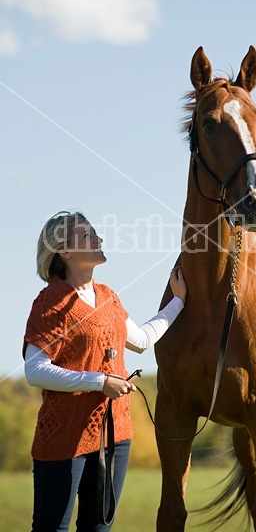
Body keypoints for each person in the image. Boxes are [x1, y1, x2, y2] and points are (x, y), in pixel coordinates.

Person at [23, 211, 187, 532]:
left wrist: (178, 302)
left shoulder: (108, 297)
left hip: (115, 435)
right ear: (64, 251)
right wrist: (99, 381)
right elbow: (35, 371)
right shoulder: (50, 303)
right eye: (87, 236)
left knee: (99, 529)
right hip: (64, 438)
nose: (98, 238)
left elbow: (140, 340)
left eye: (95, 232)